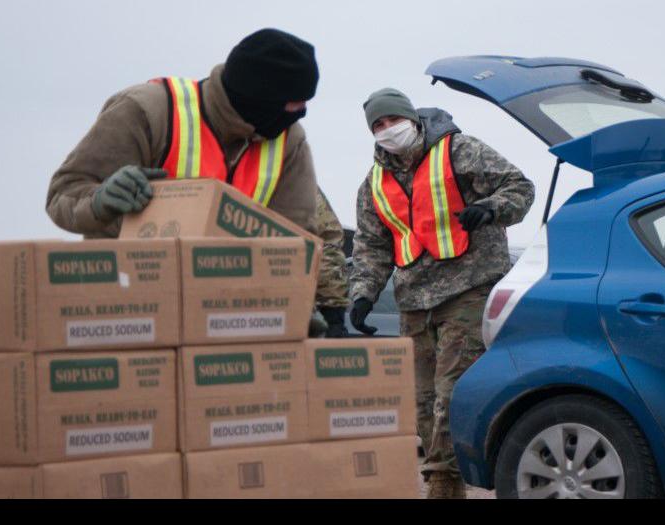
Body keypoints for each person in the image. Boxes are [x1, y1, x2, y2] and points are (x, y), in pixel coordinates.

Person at [349, 88, 535, 498]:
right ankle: (445, 480)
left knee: (452, 396)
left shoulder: (460, 151)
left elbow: (520, 188)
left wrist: (490, 209)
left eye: (391, 120)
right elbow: (371, 244)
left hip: (468, 289)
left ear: (411, 118)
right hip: (414, 302)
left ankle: (443, 487)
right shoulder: (374, 183)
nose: (386, 130)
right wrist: (363, 293)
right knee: (422, 401)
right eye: (377, 126)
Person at [45, 28, 320, 237]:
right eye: (295, 100)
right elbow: (62, 195)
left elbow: (295, 241)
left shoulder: (289, 141)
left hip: (228, 304)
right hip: (128, 296)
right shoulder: (146, 112)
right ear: (260, 97)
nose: (302, 110)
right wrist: (99, 202)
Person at [312, 187, 350, 337]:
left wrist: (332, 315)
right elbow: (327, 242)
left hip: (281, 310)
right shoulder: (287, 173)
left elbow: (325, 243)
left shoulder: (288, 174)